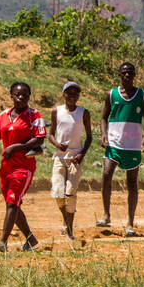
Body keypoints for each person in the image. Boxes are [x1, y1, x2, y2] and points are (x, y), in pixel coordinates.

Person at [0, 81, 46, 252]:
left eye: (25, 95)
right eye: (17, 94)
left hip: (24, 166)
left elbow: (39, 139)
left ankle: (3, 241)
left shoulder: (34, 115)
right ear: (11, 96)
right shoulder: (3, 115)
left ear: (29, 96)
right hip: (6, 166)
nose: (21, 97)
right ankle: (30, 239)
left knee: (12, 202)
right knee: (12, 203)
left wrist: (15, 147)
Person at [98, 62, 144, 236]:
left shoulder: (142, 95)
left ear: (134, 75)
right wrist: (104, 135)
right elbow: (104, 117)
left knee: (131, 183)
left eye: (130, 73)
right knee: (106, 174)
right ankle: (106, 215)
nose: (127, 76)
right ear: (119, 74)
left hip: (133, 145)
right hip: (114, 142)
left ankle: (130, 223)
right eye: (124, 73)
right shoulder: (111, 94)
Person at [50, 81, 91, 244]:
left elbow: (89, 137)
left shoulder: (83, 113)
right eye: (69, 93)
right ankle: (65, 221)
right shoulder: (56, 111)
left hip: (75, 158)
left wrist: (81, 153)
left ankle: (70, 228)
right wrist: (57, 144)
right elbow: (51, 134)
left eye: (76, 93)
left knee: (70, 193)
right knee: (58, 194)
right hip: (59, 157)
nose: (73, 96)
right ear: (64, 94)